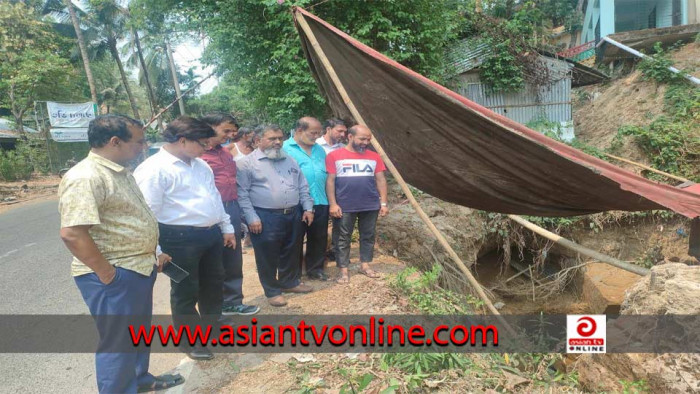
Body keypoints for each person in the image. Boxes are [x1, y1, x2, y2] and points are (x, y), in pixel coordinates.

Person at [58, 115, 184, 393]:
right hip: (114, 275)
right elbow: (72, 233)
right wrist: (108, 275)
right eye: (138, 141)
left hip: (136, 268)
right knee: (118, 343)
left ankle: (138, 380)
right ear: (115, 142)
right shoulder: (86, 176)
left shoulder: (118, 171)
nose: (144, 146)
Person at [134, 116, 236, 361]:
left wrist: (226, 226)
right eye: (202, 143)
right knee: (185, 289)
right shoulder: (153, 170)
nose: (207, 148)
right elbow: (147, 214)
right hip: (177, 239)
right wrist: (156, 250)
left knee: (213, 284)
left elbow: (214, 197)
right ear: (182, 140)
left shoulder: (201, 165)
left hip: (210, 235)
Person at [237, 124, 315, 307]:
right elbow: (242, 194)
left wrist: (308, 208)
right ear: (258, 141)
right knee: (267, 255)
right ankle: (272, 291)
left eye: (280, 138)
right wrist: (251, 218)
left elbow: (302, 185)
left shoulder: (289, 160)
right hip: (264, 216)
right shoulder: (246, 164)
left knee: (292, 250)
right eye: (272, 138)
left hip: (293, 214)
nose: (278, 142)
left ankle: (290, 282)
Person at [200, 114, 260, 316]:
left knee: (232, 257)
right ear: (210, 127)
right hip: (207, 211)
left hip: (231, 207)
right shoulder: (197, 154)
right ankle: (213, 307)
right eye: (226, 131)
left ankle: (233, 301)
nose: (231, 135)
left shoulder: (225, 153)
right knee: (210, 259)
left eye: (233, 131)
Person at [326, 125, 389, 284]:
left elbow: (381, 179)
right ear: (350, 137)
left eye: (368, 139)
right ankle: (343, 270)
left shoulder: (374, 157)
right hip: (344, 205)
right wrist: (333, 204)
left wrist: (383, 202)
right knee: (342, 237)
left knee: (368, 236)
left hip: (370, 204)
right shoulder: (334, 156)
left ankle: (365, 265)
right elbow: (330, 181)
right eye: (362, 139)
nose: (365, 142)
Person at [283, 117, 329, 281]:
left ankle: (315, 269)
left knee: (319, 237)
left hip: (320, 200)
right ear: (299, 130)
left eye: (319, 133)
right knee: (294, 238)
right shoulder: (285, 148)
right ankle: (293, 273)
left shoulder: (319, 150)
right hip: (297, 202)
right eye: (313, 133)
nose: (316, 136)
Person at [316, 119, 348, 262]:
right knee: (319, 223)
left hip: (338, 190)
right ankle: (317, 253)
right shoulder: (315, 145)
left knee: (339, 222)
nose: (343, 134)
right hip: (318, 190)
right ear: (328, 129)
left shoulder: (344, 148)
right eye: (339, 131)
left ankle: (336, 251)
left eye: (344, 132)